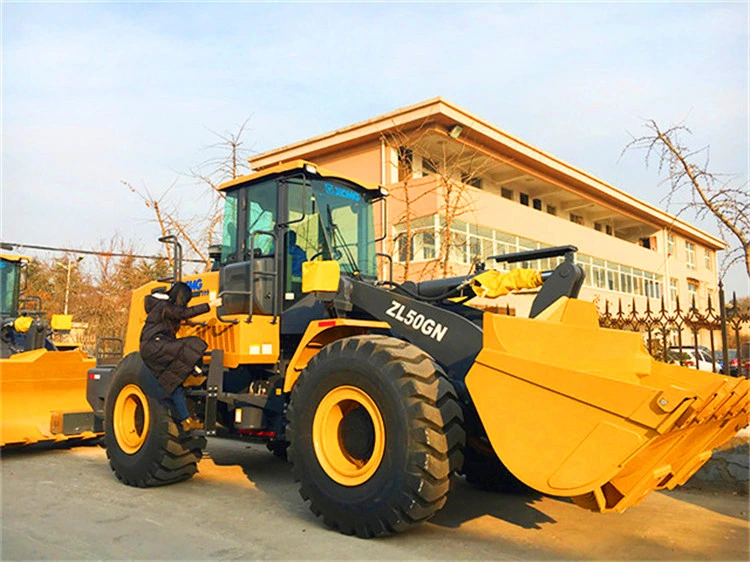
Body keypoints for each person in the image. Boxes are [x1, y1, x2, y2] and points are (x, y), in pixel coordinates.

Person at [139, 282, 222, 436]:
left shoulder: (162, 308)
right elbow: (183, 313)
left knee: (174, 383)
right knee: (194, 344)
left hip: (150, 349)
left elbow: (176, 317)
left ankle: (186, 421)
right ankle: (194, 374)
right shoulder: (164, 306)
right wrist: (210, 305)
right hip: (156, 344)